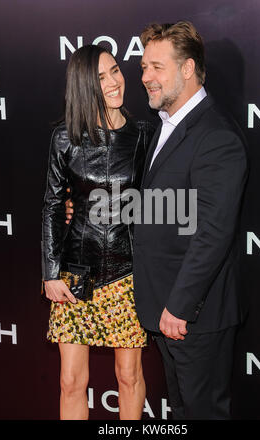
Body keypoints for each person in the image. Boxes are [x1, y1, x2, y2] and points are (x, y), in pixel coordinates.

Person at [132, 21, 249, 419]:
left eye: (156, 67)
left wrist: (179, 307)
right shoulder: (165, 127)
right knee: (182, 411)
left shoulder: (216, 135)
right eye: (144, 67)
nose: (145, 77)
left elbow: (213, 233)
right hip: (167, 311)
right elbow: (162, 210)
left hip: (194, 315)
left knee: (203, 412)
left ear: (187, 69)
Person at [42, 44, 154, 420]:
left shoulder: (143, 135)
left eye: (116, 71)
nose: (113, 82)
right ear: (83, 85)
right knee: (71, 381)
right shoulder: (64, 137)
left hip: (128, 273)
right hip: (76, 273)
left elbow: (158, 203)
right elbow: (54, 205)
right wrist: (51, 272)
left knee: (128, 376)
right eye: (101, 77)